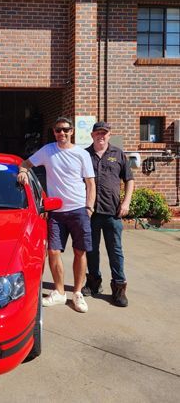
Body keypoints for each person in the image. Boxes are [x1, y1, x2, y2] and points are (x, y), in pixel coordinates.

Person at [17, 116, 96, 313]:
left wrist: (89, 207)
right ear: (54, 132)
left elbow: (90, 183)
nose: (62, 133)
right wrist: (23, 171)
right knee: (53, 252)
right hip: (56, 211)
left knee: (80, 252)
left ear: (72, 132)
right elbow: (25, 163)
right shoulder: (48, 151)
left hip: (78, 209)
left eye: (66, 130)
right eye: (58, 130)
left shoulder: (81, 154)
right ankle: (59, 292)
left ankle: (77, 293)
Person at [83, 121, 134, 307]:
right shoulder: (85, 155)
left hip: (113, 213)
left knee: (116, 252)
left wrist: (126, 202)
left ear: (109, 135)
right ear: (92, 135)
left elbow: (129, 180)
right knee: (91, 250)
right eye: (98, 133)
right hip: (91, 213)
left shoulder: (118, 154)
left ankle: (119, 289)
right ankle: (94, 283)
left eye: (104, 133)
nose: (101, 136)